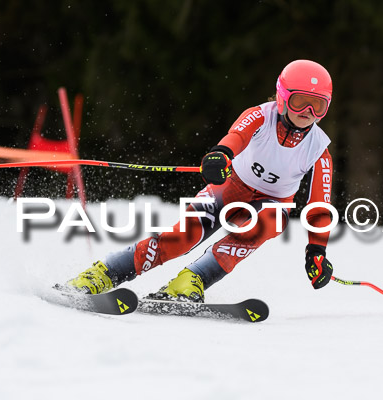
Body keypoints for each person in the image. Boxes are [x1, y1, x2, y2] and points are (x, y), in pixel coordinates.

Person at [64, 59, 335, 302]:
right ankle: (103, 274)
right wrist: (220, 155)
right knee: (182, 237)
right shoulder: (261, 115)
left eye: (319, 105)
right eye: (300, 101)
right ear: (283, 96)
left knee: (265, 222)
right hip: (229, 188)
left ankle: (190, 280)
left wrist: (316, 251)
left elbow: (320, 206)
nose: (308, 111)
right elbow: (236, 136)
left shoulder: (319, 150)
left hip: (272, 204)